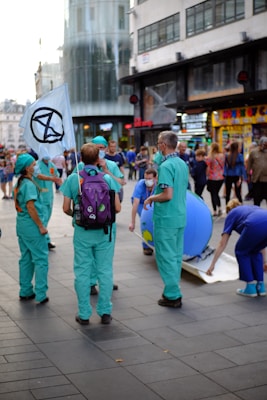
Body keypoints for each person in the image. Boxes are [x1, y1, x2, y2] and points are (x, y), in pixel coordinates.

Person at [61, 143, 121, 325]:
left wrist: (80, 216)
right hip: (104, 232)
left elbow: (65, 208)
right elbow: (117, 208)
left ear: (81, 158)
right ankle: (105, 312)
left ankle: (84, 314)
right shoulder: (107, 179)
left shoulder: (74, 179)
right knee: (105, 271)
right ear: (98, 159)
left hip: (83, 232)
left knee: (82, 272)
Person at [144, 131, 188, 308]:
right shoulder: (182, 164)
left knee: (166, 256)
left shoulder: (166, 166)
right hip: (179, 216)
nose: (157, 145)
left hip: (166, 219)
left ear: (163, 145)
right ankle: (172, 289)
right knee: (176, 256)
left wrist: (151, 198)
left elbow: (167, 194)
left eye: (158, 142)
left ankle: (172, 294)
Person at [207, 198, 267, 297]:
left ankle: (250, 287)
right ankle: (260, 286)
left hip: (253, 225)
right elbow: (261, 246)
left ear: (228, 209)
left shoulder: (232, 214)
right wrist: (265, 262)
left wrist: (212, 264)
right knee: (255, 250)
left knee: (241, 251)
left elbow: (222, 243)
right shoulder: (250, 208)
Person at [13, 153, 49, 304]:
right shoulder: (28, 185)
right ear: (27, 168)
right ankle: (41, 294)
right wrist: (41, 226)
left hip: (22, 226)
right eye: (34, 164)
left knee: (26, 258)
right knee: (41, 259)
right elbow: (31, 207)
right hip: (32, 227)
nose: (36, 166)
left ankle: (26, 290)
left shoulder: (20, 183)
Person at [33, 157, 61, 250]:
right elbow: (37, 175)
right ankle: (45, 241)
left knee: (46, 218)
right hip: (40, 195)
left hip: (49, 196)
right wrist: (50, 178)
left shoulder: (51, 165)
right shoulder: (36, 165)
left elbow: (56, 175)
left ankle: (45, 240)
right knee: (43, 219)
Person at [129, 168, 157, 255]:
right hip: (141, 203)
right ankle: (146, 246)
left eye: (150, 179)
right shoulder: (140, 185)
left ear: (155, 178)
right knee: (145, 220)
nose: (147, 181)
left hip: (152, 203)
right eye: (146, 179)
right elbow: (135, 204)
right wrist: (132, 222)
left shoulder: (158, 186)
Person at [205, 142, 225, 217]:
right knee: (216, 193)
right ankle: (219, 208)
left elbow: (208, 167)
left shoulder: (210, 157)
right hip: (221, 177)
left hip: (212, 177)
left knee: (213, 194)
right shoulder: (222, 156)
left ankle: (215, 210)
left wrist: (206, 176)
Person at [246, 136, 267, 206]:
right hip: (256, 179)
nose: (265, 146)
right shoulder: (253, 152)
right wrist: (248, 176)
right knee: (257, 199)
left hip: (266, 180)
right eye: (264, 144)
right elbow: (249, 165)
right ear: (260, 144)